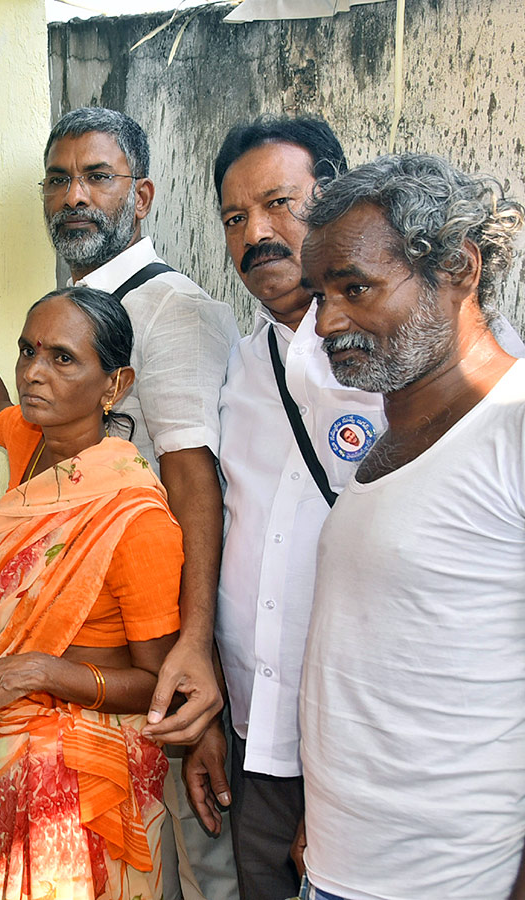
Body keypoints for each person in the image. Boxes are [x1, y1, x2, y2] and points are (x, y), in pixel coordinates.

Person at [0, 105, 240, 900]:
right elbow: (1, 410)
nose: (74, 196)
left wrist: (195, 654)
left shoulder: (173, 312)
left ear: (141, 194)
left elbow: (194, 482)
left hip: (144, 671)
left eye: (97, 176)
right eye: (58, 179)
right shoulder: (53, 387)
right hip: (28, 741)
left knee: (193, 871)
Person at [298, 153, 525, 900]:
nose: (327, 322)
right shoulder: (387, 442)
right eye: (319, 294)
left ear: (458, 269)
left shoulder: (513, 429)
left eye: (355, 288)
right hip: (339, 864)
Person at [183, 117, 379, 900]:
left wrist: (342, 787)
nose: (256, 235)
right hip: (254, 742)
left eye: (278, 204)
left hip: (363, 750)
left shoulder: (402, 361)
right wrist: (211, 718)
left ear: (334, 202)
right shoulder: (239, 364)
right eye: (235, 218)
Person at [0, 285, 181, 900]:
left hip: (90, 775)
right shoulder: (32, 446)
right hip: (12, 750)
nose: (33, 373)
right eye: (28, 351)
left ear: (114, 385)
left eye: (62, 358)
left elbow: (161, 685)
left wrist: (38, 670)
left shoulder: (135, 516)